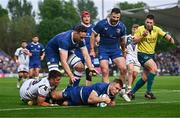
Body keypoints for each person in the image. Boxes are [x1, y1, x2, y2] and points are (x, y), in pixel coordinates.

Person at [129, 14, 175, 99]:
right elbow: (134, 41)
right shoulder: (140, 29)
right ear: (145, 22)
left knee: (145, 77)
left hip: (151, 54)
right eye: (147, 22)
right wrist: (143, 36)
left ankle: (131, 93)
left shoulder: (156, 29)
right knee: (154, 68)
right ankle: (148, 92)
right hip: (141, 54)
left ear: (153, 23)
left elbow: (165, 34)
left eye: (150, 22)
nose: (149, 24)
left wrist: (170, 39)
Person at [90, 8, 130, 102]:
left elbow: (122, 40)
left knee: (124, 68)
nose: (115, 19)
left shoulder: (122, 26)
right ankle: (106, 95)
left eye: (118, 17)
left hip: (115, 49)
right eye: (114, 17)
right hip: (103, 49)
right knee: (105, 70)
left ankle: (121, 90)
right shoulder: (101, 24)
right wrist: (92, 49)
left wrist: (124, 50)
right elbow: (93, 35)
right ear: (110, 15)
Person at [68, 11, 97, 86]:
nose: (87, 18)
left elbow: (97, 37)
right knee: (78, 70)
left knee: (89, 72)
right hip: (78, 52)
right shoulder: (77, 27)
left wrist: (97, 43)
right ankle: (71, 87)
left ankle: (87, 91)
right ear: (82, 18)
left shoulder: (94, 27)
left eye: (88, 17)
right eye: (85, 17)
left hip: (89, 53)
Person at [51, 79, 123, 106]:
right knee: (54, 96)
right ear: (111, 84)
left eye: (119, 90)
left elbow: (112, 103)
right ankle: (46, 94)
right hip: (77, 93)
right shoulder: (101, 86)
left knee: (63, 103)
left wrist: (110, 103)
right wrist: (104, 100)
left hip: (81, 102)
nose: (117, 91)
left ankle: (51, 102)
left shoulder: (112, 92)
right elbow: (90, 99)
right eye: (116, 88)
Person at [125, 24, 141, 93]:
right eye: (133, 28)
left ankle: (127, 86)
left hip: (137, 58)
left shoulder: (140, 38)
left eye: (136, 28)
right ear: (131, 29)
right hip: (129, 56)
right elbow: (122, 45)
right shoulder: (127, 37)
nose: (135, 29)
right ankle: (129, 89)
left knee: (134, 75)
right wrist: (124, 50)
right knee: (130, 71)